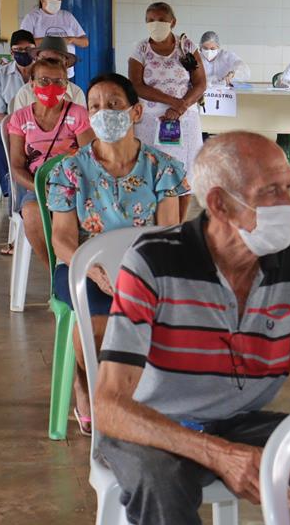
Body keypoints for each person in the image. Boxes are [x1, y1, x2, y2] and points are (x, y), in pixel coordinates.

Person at [93, 131, 290, 525]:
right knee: (162, 486)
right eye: (269, 191)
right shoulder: (154, 260)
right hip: (150, 424)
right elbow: (110, 405)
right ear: (219, 204)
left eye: (288, 187)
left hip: (242, 420)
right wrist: (219, 454)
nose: (287, 204)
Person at [47, 73, 189, 435]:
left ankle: (141, 395)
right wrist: (95, 272)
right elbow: (62, 239)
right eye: (94, 106)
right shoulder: (69, 170)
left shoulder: (162, 168)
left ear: (136, 112)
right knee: (94, 326)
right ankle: (89, 386)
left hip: (144, 268)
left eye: (113, 104)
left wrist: (136, 275)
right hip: (84, 267)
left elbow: (165, 235)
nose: (102, 113)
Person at [6, 58, 94, 268]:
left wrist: (68, 187)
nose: (52, 87)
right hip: (35, 186)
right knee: (32, 213)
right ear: (32, 84)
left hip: (75, 186)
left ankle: (76, 268)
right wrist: (40, 187)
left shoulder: (77, 114)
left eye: (59, 82)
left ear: (67, 85)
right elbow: (16, 166)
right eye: (44, 80)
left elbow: (89, 158)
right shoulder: (20, 119)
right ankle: (56, 273)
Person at [129, 1, 205, 221]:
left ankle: (178, 224)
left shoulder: (186, 47)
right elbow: (136, 84)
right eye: (151, 20)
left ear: (173, 22)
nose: (156, 24)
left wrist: (181, 107)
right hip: (150, 122)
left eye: (161, 19)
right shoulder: (141, 49)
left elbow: (200, 83)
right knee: (149, 171)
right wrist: (173, 102)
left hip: (184, 121)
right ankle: (152, 222)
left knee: (184, 173)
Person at [0, 30, 37, 202]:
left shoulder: (43, 72)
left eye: (28, 49)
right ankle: (9, 184)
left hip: (38, 124)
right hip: (10, 125)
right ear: (11, 53)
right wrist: (15, 129)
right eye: (19, 49)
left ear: (35, 50)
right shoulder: (1, 75)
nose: (24, 53)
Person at [20, 0, 88, 79]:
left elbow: (85, 42)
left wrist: (71, 39)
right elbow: (25, 44)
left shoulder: (67, 16)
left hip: (65, 72)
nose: (55, 1)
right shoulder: (32, 18)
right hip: (42, 73)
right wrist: (53, 41)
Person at [10, 36, 87, 112]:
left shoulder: (76, 94)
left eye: (55, 61)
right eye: (44, 60)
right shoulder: (24, 94)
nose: (49, 66)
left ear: (65, 64)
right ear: (36, 61)